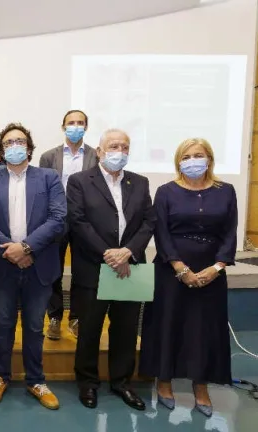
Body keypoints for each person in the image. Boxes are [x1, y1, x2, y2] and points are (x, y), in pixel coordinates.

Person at [139, 138, 237, 418]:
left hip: (211, 272)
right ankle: (164, 381)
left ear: (210, 159)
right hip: (171, 270)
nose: (193, 161)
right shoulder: (166, 191)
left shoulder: (226, 191)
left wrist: (217, 267)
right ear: (178, 162)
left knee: (204, 329)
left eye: (198, 155)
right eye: (186, 156)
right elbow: (161, 233)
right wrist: (179, 267)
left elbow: (230, 232)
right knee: (168, 325)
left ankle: (201, 386)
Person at [67, 129, 155, 411]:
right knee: (90, 329)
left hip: (130, 267)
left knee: (126, 330)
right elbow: (78, 221)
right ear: (100, 152)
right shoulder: (80, 181)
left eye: (125, 147)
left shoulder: (139, 182)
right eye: (114, 146)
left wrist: (128, 251)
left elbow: (149, 222)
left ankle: (122, 382)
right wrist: (108, 254)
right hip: (94, 267)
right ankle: (87, 383)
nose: (120, 151)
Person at [0, 123, 66, 410]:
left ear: (29, 147)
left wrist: (26, 248)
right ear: (1, 150)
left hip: (38, 264)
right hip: (3, 264)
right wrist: (11, 251)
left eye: (19, 141)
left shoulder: (49, 178)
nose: (14, 146)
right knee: (3, 323)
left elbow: (58, 219)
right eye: (8, 142)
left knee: (34, 325)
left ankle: (36, 380)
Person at [38, 110, 98, 340]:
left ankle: (76, 317)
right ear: (63, 127)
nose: (76, 126)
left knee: (82, 271)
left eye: (80, 123)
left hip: (85, 220)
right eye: (71, 123)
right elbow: (43, 190)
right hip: (56, 220)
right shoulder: (48, 157)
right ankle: (54, 316)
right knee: (54, 269)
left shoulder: (96, 156)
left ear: (86, 127)